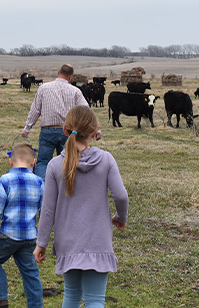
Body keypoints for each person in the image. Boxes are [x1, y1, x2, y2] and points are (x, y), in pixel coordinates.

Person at [33, 105, 128, 308]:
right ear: (94, 133)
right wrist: (121, 218)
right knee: (95, 300)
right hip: (98, 240)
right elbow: (120, 195)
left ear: (65, 131)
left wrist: (41, 243)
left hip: (68, 242)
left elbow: (47, 209)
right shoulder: (107, 160)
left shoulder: (54, 165)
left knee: (72, 296)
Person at [0, 143, 45, 308]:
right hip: (30, 237)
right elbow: (44, 211)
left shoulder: (6, 180)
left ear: (11, 161)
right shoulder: (39, 182)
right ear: (33, 162)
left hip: (9, 236)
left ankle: (0, 299)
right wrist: (43, 236)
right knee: (31, 273)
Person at [21, 64, 99, 181]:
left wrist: (27, 129)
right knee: (67, 161)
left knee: (43, 162)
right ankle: (65, 188)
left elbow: (35, 110)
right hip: (68, 132)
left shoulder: (43, 88)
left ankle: (43, 190)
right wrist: (96, 129)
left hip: (47, 130)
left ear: (58, 72)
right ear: (70, 77)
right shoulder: (75, 91)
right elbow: (87, 111)